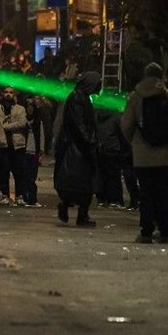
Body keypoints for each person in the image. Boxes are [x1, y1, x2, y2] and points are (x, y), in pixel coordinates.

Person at [122, 63, 168, 243]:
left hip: (143, 155)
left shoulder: (135, 97)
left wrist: (134, 143)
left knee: (146, 194)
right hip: (166, 154)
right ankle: (165, 232)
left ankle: (146, 231)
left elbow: (126, 125)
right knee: (165, 193)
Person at [54, 72, 101, 228]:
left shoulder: (81, 98)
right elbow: (79, 124)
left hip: (78, 146)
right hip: (77, 148)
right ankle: (79, 213)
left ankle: (76, 211)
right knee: (82, 183)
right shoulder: (77, 98)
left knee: (80, 183)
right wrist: (90, 141)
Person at [0, 87, 28, 205]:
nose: (8, 94)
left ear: (14, 95)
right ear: (2, 94)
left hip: (17, 145)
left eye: (10, 92)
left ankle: (20, 195)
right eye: (6, 92)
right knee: (3, 172)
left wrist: (6, 127)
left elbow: (22, 123)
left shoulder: (20, 109)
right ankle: (5, 195)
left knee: (18, 172)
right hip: (2, 145)